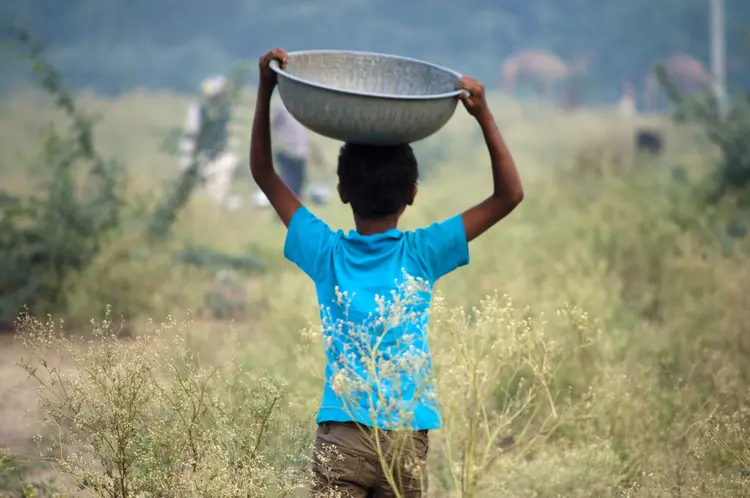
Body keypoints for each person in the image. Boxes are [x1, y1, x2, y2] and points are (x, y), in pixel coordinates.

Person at [250, 48, 524, 497]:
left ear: (340, 191)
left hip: (342, 437)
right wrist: (483, 115)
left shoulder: (325, 252)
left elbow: (264, 172)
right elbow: (509, 194)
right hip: (406, 442)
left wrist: (266, 89)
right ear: (412, 194)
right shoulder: (423, 252)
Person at [179, 75, 241, 211]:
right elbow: (191, 135)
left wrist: (233, 156)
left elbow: (229, 135)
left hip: (220, 156)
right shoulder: (197, 111)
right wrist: (187, 158)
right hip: (201, 156)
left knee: (220, 189)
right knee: (200, 193)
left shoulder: (226, 111)